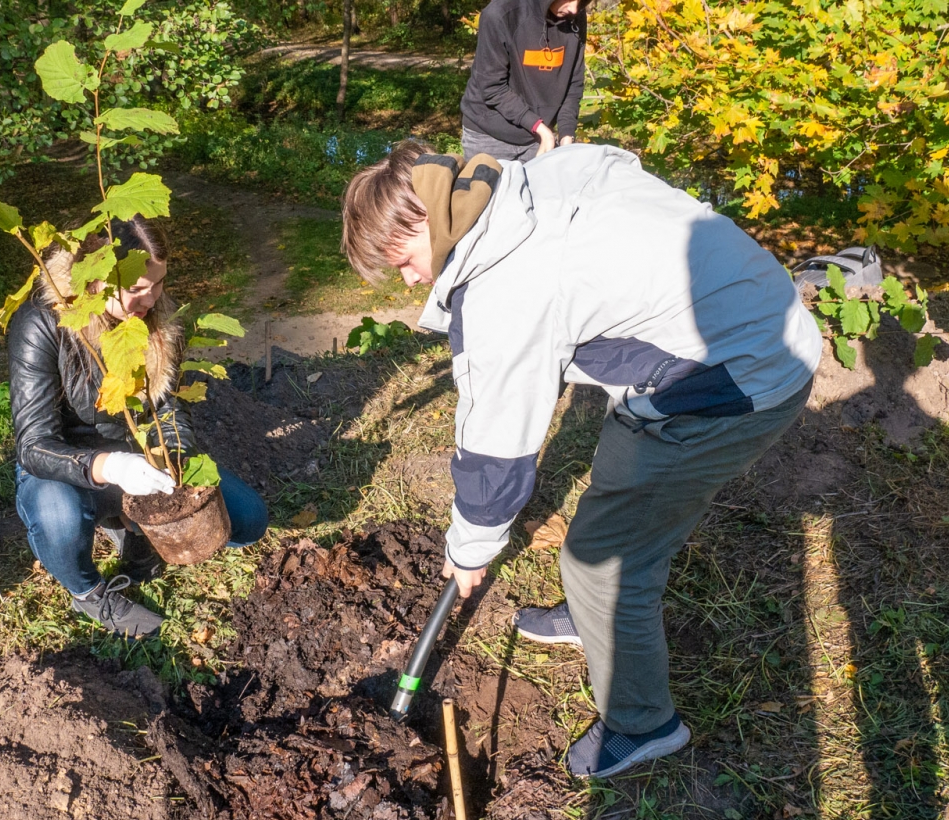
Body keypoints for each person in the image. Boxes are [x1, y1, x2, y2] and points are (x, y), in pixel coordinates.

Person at [341, 142, 821, 778]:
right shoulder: (526, 182)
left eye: (403, 261)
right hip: (752, 325)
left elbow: (496, 449)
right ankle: (596, 616)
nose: (409, 281)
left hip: (737, 377)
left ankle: (643, 723)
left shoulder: (508, 287)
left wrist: (470, 549)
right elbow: (612, 161)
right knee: (622, 493)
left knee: (602, 557)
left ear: (425, 218)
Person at [6, 217, 268, 638]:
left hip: (142, 457)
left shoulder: (160, 320)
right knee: (59, 517)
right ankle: (88, 592)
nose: (151, 299)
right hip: (64, 466)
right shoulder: (42, 323)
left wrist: (173, 462)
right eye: (137, 290)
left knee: (248, 519)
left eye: (159, 284)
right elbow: (34, 445)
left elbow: (168, 410)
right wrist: (111, 467)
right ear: (95, 280)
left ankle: (126, 525)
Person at [459, 0, 587, 163]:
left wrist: (566, 136)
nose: (574, 9)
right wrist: (540, 129)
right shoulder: (500, 13)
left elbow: (573, 83)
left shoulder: (575, 15)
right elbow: (492, 87)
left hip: (538, 138)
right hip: (488, 136)